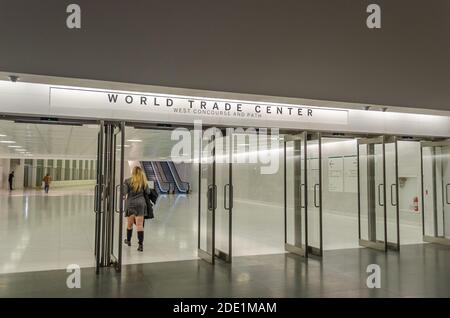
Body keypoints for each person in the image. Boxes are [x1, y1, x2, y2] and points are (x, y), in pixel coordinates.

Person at [123, 166, 151, 252]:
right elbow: (148, 192)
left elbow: (124, 192)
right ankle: (140, 245)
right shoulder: (143, 181)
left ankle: (128, 240)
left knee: (129, 224)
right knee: (139, 225)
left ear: (133, 172)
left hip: (131, 204)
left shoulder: (128, 181)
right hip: (141, 204)